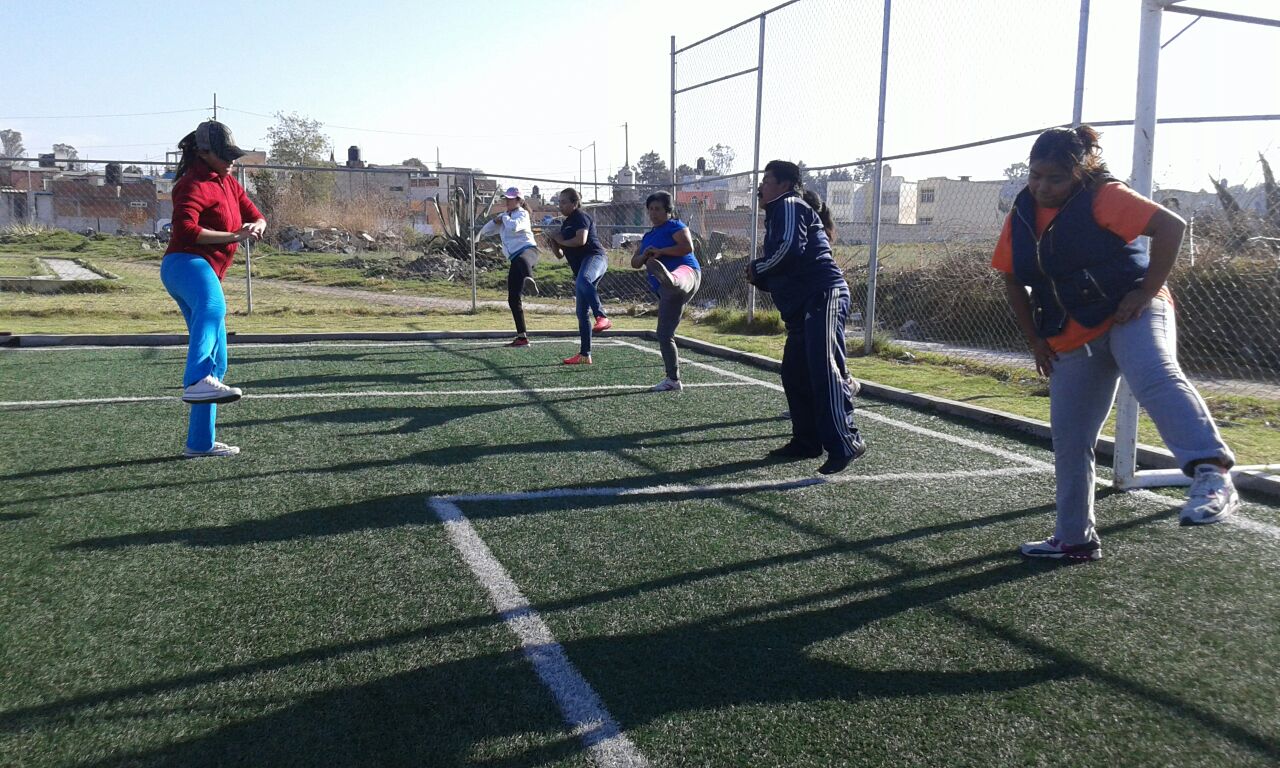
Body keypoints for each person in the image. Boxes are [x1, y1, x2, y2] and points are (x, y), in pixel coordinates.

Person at [994, 125, 1238, 562]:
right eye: (1036, 175)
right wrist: (1035, 341)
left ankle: (1211, 471)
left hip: (1132, 310)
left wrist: (1146, 290)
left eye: (1056, 178)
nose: (1043, 186)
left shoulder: (1103, 195)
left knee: (1153, 376)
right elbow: (1013, 279)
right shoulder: (1023, 214)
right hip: (1074, 332)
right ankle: (1074, 538)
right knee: (1070, 438)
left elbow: (1169, 226)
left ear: (1081, 171)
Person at [748, 160, 865, 475]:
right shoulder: (778, 214)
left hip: (822, 296)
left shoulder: (788, 205)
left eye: (767, 180)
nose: (760, 187)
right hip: (804, 306)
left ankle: (847, 441)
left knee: (823, 369)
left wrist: (758, 268)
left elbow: (789, 251)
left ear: (785, 184)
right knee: (794, 373)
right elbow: (785, 264)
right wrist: (763, 273)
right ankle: (807, 441)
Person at [161, 120, 266, 458]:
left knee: (218, 362)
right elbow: (187, 231)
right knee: (213, 307)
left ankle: (200, 443)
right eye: (226, 155)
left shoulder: (229, 183)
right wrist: (236, 236)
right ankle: (195, 379)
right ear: (204, 153)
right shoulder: (191, 184)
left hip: (204, 270)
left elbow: (257, 215)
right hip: (185, 264)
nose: (232, 160)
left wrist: (256, 225)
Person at [631, 191, 700, 391]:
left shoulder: (676, 226)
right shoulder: (647, 237)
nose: (653, 213)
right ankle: (673, 379)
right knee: (663, 334)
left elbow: (687, 247)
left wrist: (661, 252)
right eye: (650, 209)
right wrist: (645, 256)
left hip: (688, 273)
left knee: (678, 278)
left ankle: (671, 278)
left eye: (658, 209)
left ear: (668, 210)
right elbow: (635, 263)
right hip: (667, 293)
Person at [543, 188, 611, 364]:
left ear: (574, 203)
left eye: (564, 202)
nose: (561, 205)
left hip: (595, 258)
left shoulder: (581, 217)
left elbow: (581, 240)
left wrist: (561, 240)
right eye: (559, 202)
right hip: (582, 269)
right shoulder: (565, 225)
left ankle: (602, 316)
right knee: (581, 313)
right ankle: (584, 354)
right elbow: (559, 255)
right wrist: (553, 242)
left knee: (584, 279)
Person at [478, 187, 540, 347]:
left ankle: (529, 279)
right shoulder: (505, 216)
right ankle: (522, 337)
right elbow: (486, 231)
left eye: (511, 199)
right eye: (506, 198)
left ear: (519, 201)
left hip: (529, 251)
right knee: (513, 297)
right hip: (515, 258)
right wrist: (494, 221)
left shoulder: (522, 214)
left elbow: (514, 227)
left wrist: (503, 218)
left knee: (521, 259)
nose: (507, 201)